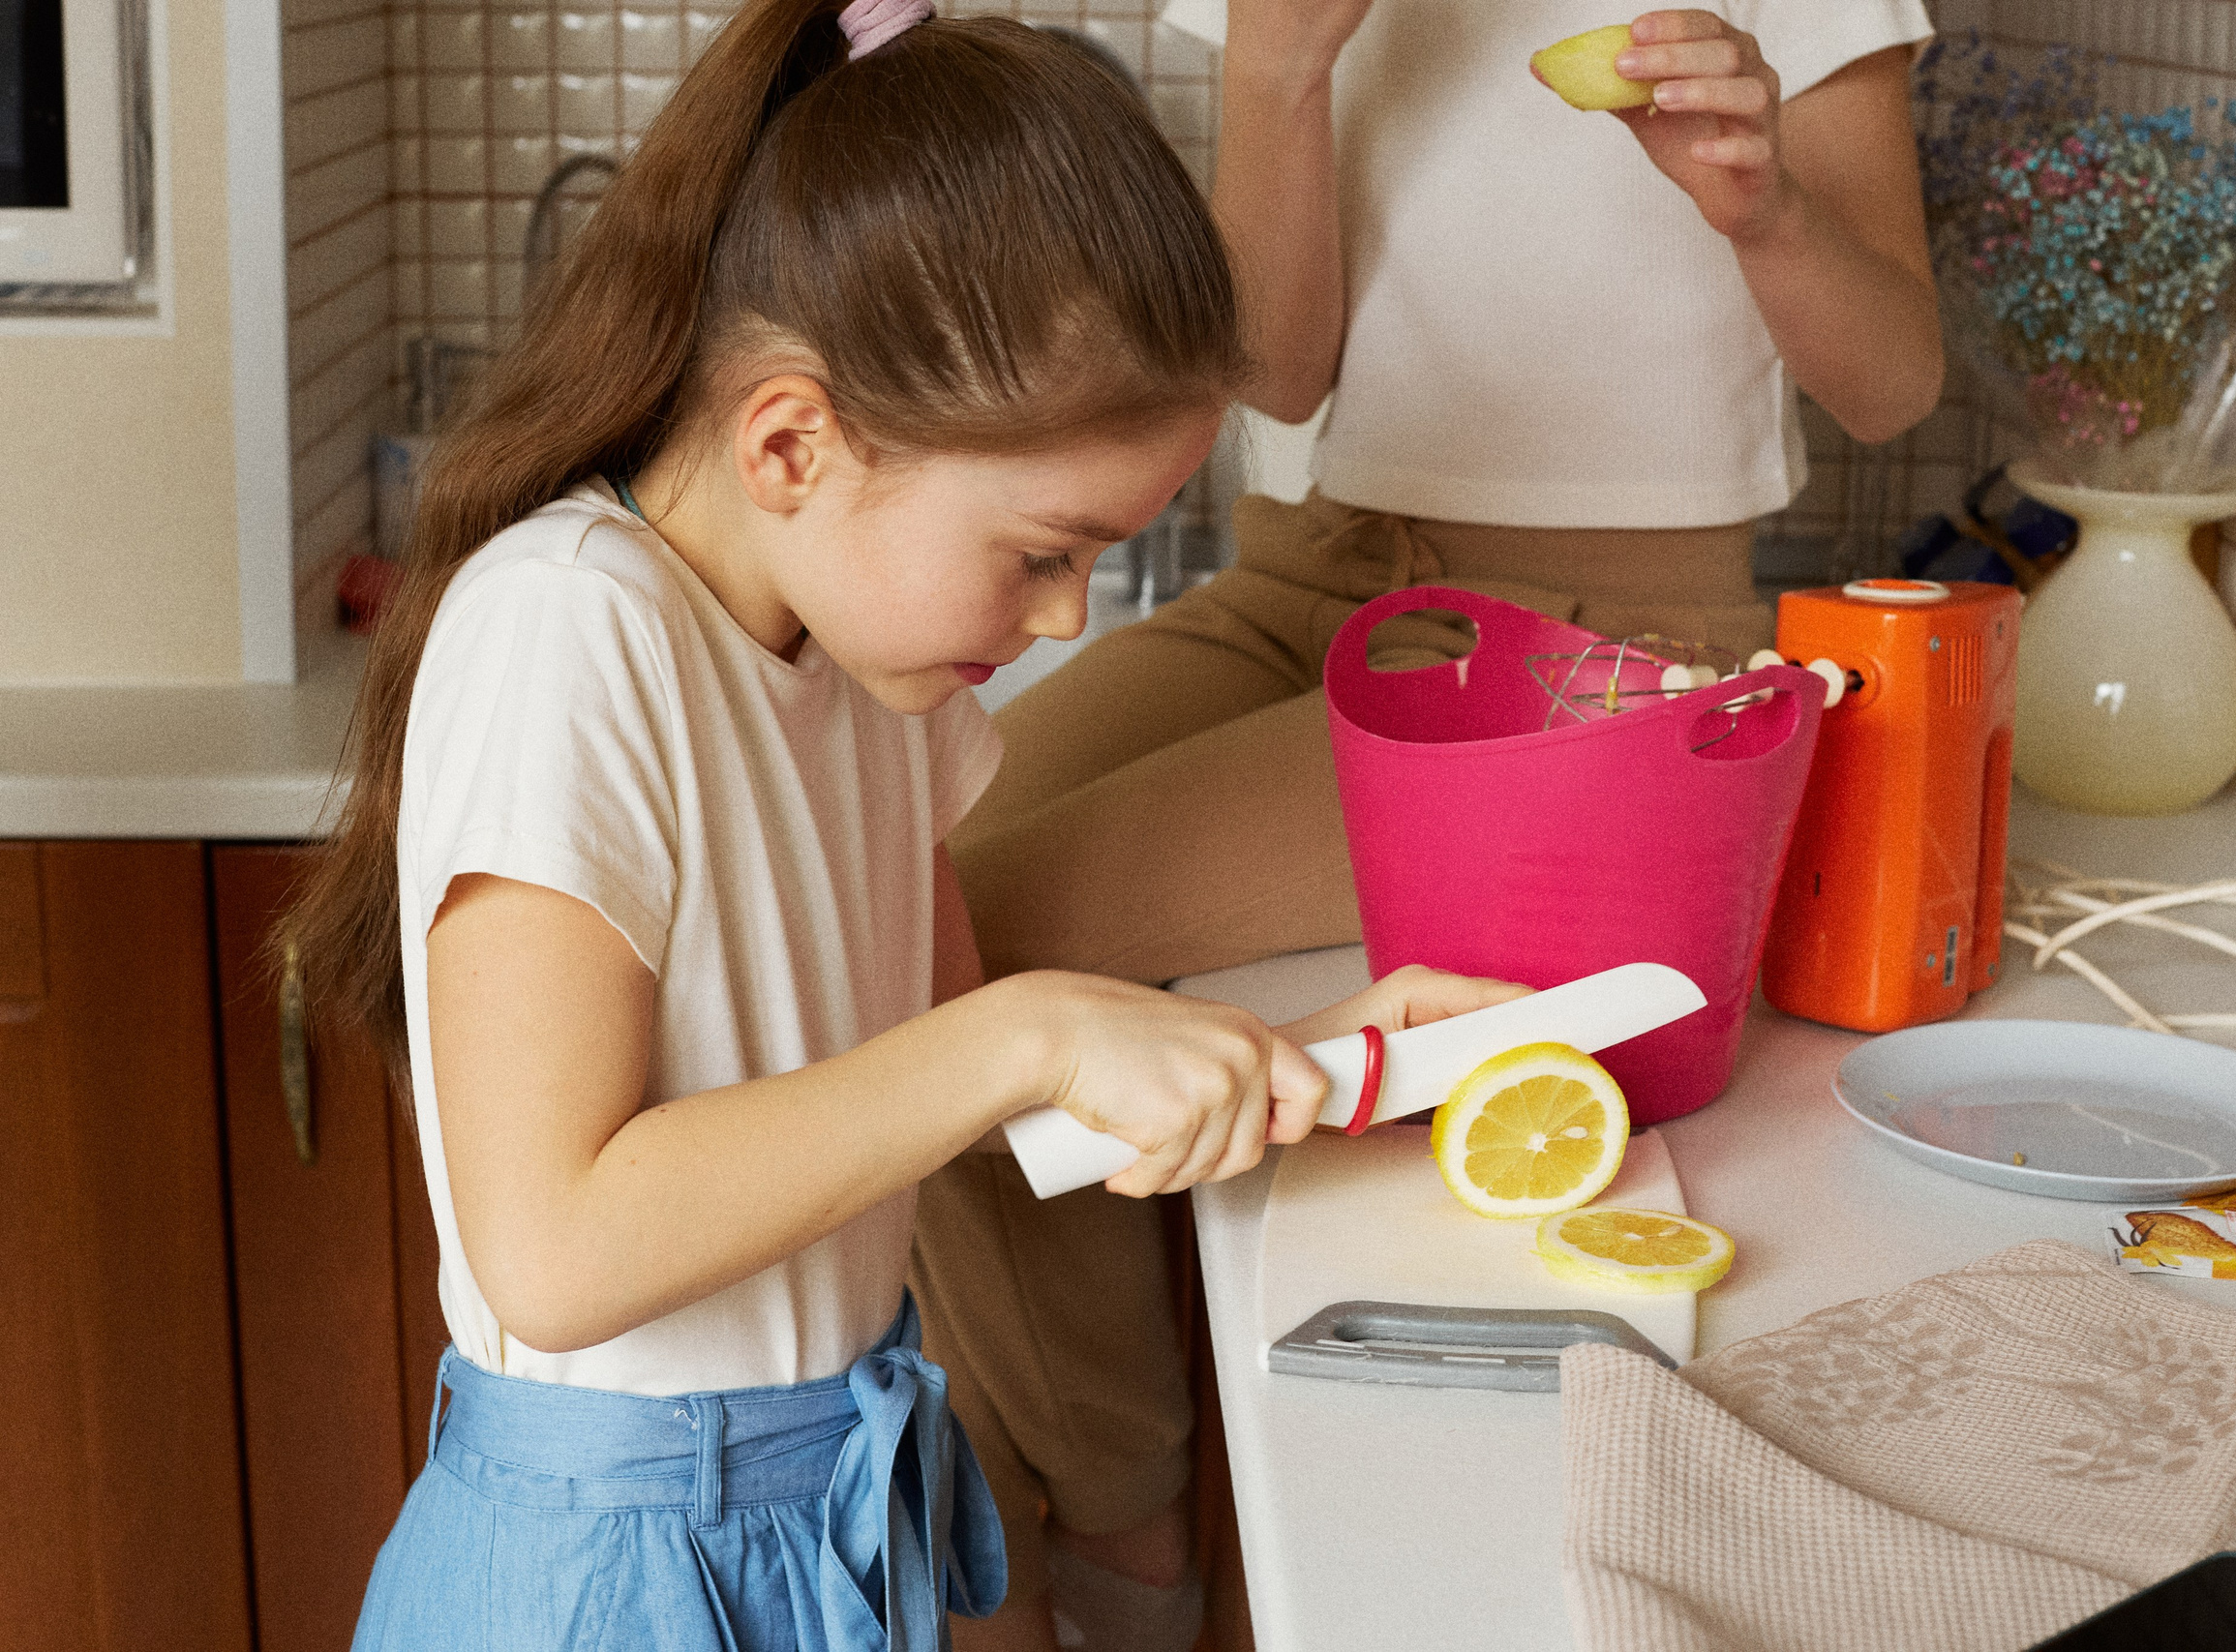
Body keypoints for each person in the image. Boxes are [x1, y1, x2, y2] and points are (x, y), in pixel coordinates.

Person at [280, 3, 1522, 1645]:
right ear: (793, 442)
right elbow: (556, 1249)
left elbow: (944, 1079)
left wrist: (1314, 1057)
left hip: (814, 1508)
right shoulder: (569, 634)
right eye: (1041, 552)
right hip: (616, 1568)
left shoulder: (871, 672)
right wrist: (1027, 1034)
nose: (1070, 618)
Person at [912, 5, 1943, 1648]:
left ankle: (1113, 1553)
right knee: (912, 930)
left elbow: (1895, 383)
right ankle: (1107, 1524)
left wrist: (1768, 213)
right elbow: (1271, 371)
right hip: (1299, 574)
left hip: (1586, 641)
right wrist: (1276, 68)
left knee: (968, 960)